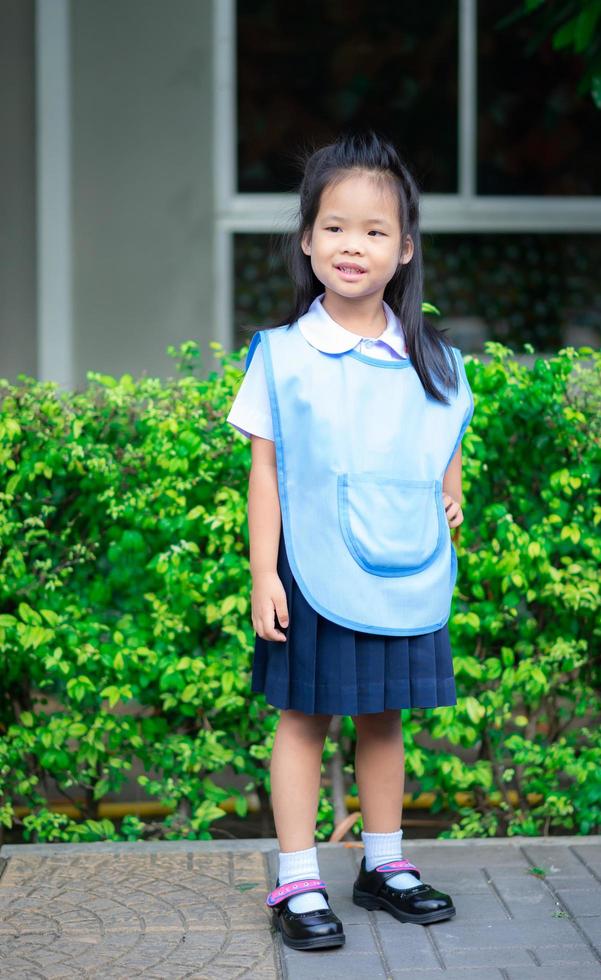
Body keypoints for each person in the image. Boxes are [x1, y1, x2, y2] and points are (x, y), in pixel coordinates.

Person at [226, 131, 475, 951]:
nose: (352, 245)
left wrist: (450, 489)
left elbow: (443, 436)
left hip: (399, 568)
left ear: (403, 249)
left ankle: (383, 865)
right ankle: (297, 879)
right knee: (301, 719)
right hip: (312, 570)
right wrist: (265, 572)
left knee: (383, 717)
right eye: (334, 227)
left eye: (374, 230)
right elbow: (267, 472)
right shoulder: (284, 356)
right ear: (307, 240)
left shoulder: (431, 358)